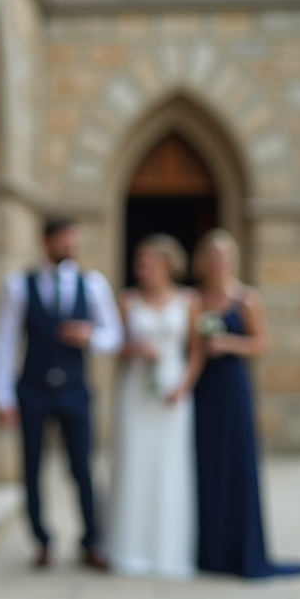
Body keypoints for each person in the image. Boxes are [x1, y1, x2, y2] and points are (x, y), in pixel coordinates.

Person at [191, 229, 300, 578]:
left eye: (224, 257)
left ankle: (239, 551)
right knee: (204, 465)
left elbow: (262, 344)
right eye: (213, 257)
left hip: (233, 388)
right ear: (203, 262)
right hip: (203, 389)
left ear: (233, 261)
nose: (218, 263)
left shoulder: (247, 298)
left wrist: (226, 344)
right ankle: (208, 550)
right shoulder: (196, 299)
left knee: (236, 464)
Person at [0, 218, 123, 569]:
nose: (70, 247)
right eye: (64, 240)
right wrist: (1, 396)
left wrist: (90, 337)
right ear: (46, 242)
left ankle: (91, 541)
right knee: (32, 467)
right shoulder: (19, 285)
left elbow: (115, 336)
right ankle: (41, 541)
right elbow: (4, 342)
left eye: (73, 241)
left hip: (75, 391)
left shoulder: (93, 285)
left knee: (82, 467)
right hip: (32, 390)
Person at [107, 234, 204, 579]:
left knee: (169, 467)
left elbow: (196, 350)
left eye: (148, 263)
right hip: (135, 392)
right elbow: (115, 347)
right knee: (134, 463)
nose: (142, 269)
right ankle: (128, 550)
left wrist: (184, 385)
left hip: (172, 392)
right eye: (139, 263)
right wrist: (135, 350)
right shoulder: (127, 300)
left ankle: (168, 551)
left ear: (167, 265)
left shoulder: (190, 300)